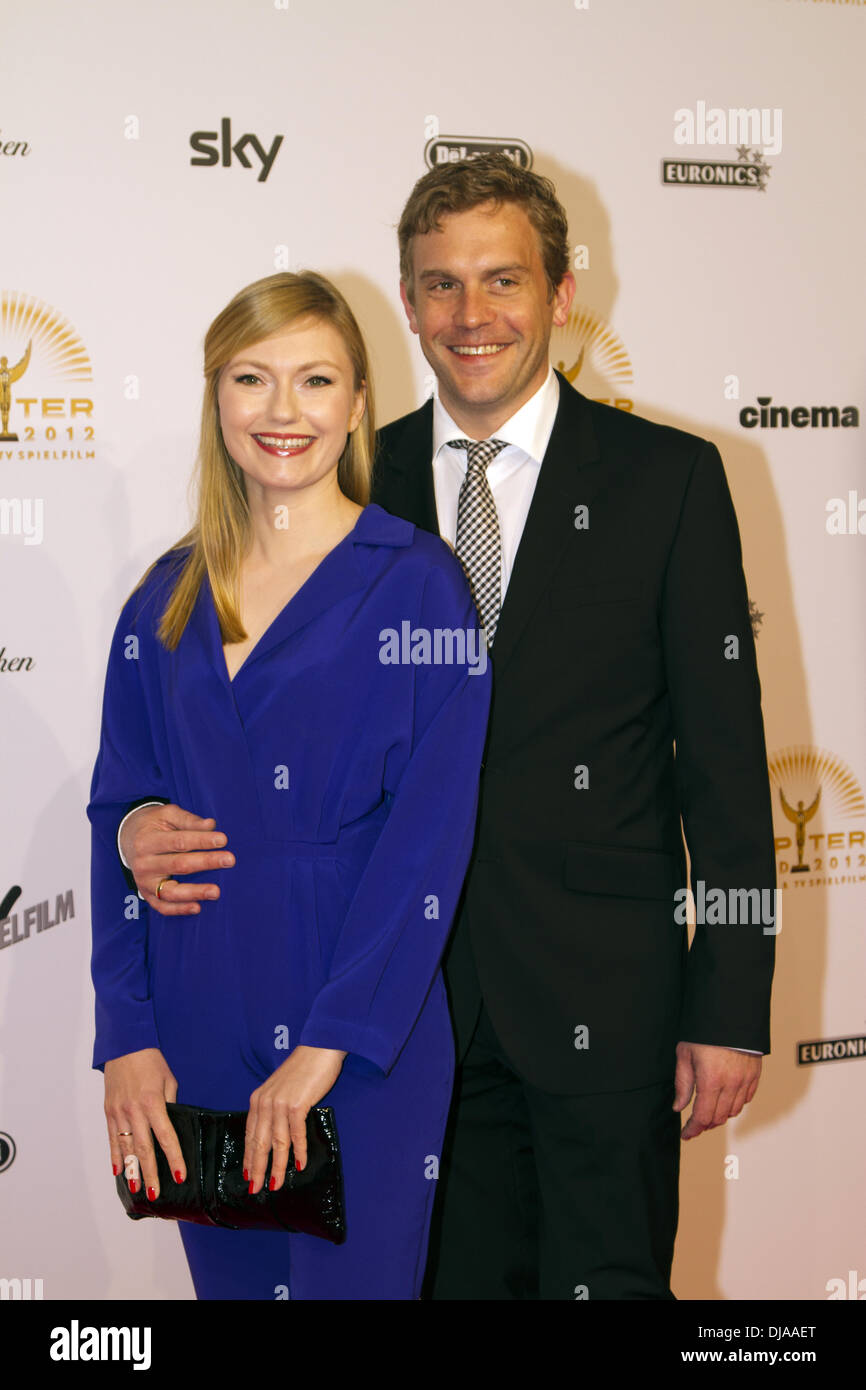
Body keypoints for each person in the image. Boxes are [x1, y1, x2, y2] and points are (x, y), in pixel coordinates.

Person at [117, 156, 776, 1300]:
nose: (469, 317)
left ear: (562, 294)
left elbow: (721, 766)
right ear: (409, 302)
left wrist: (728, 1005)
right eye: (438, 286)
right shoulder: (352, 480)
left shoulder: (667, 482)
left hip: (598, 1003)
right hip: (400, 1023)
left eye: (500, 281)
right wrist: (132, 822)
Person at [88, 270, 491, 1301]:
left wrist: (326, 1048)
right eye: (250, 378)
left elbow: (426, 850)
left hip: (359, 1036)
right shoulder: (164, 596)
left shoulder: (415, 583)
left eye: (315, 380)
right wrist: (127, 1034)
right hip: (191, 1026)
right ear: (214, 396)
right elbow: (116, 818)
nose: (281, 412)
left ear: (358, 401)